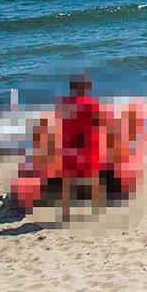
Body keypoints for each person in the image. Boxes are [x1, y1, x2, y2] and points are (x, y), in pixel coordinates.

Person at [56, 75, 110, 223]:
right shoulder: (91, 103)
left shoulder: (64, 103)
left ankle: (65, 213)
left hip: (70, 146)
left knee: (68, 180)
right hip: (88, 146)